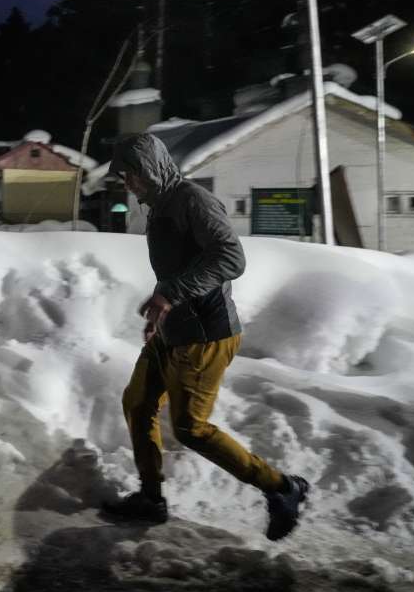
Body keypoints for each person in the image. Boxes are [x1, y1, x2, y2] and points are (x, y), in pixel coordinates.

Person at [102, 132, 310, 541]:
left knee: (191, 428)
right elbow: (176, 270)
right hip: (174, 328)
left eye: (132, 175)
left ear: (152, 169)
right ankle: (150, 497)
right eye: (123, 177)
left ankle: (283, 488)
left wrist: (171, 294)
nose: (128, 184)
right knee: (138, 402)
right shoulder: (161, 206)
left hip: (205, 335)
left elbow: (231, 257)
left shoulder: (192, 200)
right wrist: (161, 308)